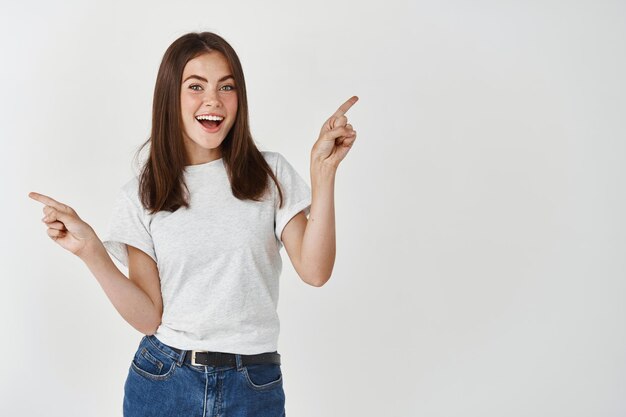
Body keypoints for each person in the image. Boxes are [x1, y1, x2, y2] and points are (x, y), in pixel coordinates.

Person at [28, 31, 358, 417]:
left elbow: (316, 271)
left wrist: (324, 171)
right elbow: (149, 317)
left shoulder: (269, 174)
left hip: (254, 386)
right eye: (195, 86)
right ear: (171, 97)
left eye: (226, 86)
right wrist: (91, 252)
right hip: (164, 381)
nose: (213, 100)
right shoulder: (142, 194)